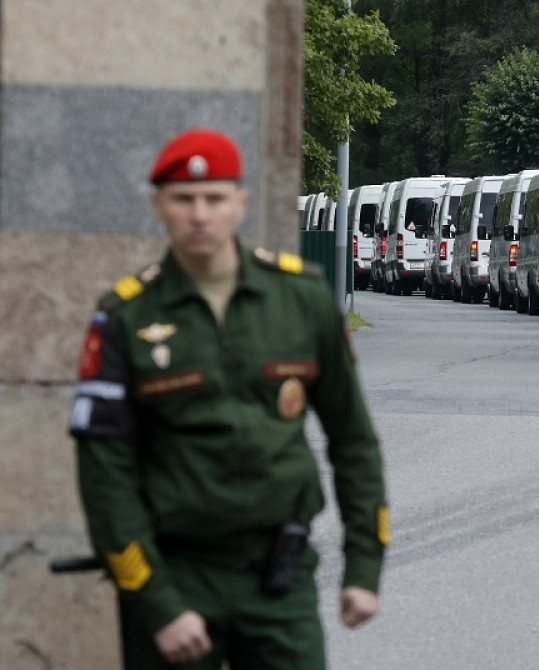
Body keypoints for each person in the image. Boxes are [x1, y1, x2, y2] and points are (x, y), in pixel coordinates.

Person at [68, 128, 389, 669]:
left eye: (214, 198)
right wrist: (157, 604)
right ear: (159, 208)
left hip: (280, 578)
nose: (200, 214)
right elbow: (105, 473)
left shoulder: (301, 299)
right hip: (176, 576)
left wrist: (364, 566)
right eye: (184, 199)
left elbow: (353, 439)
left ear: (239, 204)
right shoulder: (127, 316)